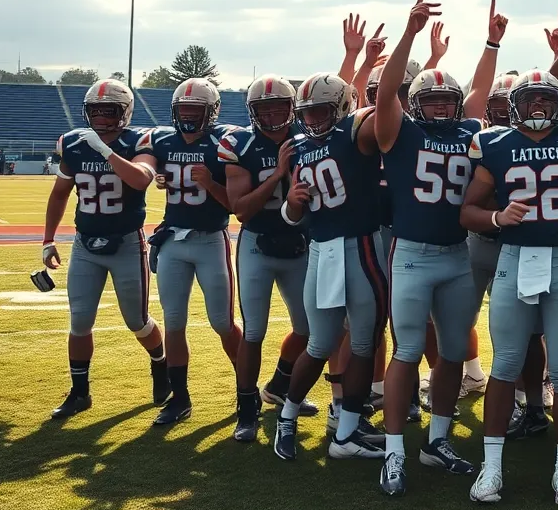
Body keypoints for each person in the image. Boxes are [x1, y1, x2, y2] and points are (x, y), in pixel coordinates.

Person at [373, 0, 504, 497]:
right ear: (416, 104)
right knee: (407, 351)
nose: (443, 107)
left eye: (448, 100)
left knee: (451, 353)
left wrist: (492, 43)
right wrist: (409, 34)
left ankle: (438, 440)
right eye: (432, 100)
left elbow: (481, 90)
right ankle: (393, 452)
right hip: (411, 253)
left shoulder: (470, 128)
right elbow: (386, 92)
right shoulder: (399, 131)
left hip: (456, 255)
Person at [463, 68, 558, 507]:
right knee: (505, 363)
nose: (538, 106)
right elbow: (468, 210)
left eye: (546, 98)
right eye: (529, 100)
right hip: (515, 255)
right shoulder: (494, 143)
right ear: (513, 106)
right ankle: (492, 467)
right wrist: (496, 217)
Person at [273, 71, 388, 463]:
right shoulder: (296, 146)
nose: (313, 118)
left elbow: (383, 109)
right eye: (307, 112)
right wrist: (292, 202)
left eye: (321, 110)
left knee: (363, 342)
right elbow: (292, 215)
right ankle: (287, 418)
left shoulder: (356, 129)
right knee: (320, 343)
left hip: (361, 246)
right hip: (323, 249)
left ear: (340, 106)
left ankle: (347, 430)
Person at [37, 79, 169, 419]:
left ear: (123, 112)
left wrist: (106, 151)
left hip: (126, 242)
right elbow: (59, 193)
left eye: (107, 111)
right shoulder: (73, 143)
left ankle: (160, 364)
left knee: (137, 321)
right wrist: (48, 240)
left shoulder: (138, 141)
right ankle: (80, 392)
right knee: (80, 321)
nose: (99, 118)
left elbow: (141, 179)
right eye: (94, 111)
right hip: (85, 243)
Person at [138, 78, 244, 427]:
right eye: (182, 109)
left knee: (222, 322)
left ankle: (247, 390)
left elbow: (234, 205)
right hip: (173, 241)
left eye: (194, 110)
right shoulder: (162, 140)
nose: (186, 116)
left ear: (210, 112)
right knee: (174, 322)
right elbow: (146, 163)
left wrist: (210, 182)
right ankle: (180, 398)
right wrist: (160, 177)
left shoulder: (224, 141)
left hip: (210, 239)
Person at [219, 75, 317, 443]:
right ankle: (247, 408)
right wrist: (277, 174)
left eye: (279, 107)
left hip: (300, 244)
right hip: (257, 244)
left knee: (308, 329)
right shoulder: (240, 143)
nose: (273, 114)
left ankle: (278, 385)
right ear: (252, 111)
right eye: (265, 108)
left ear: (292, 108)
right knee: (254, 331)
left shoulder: (310, 139)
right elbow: (241, 209)